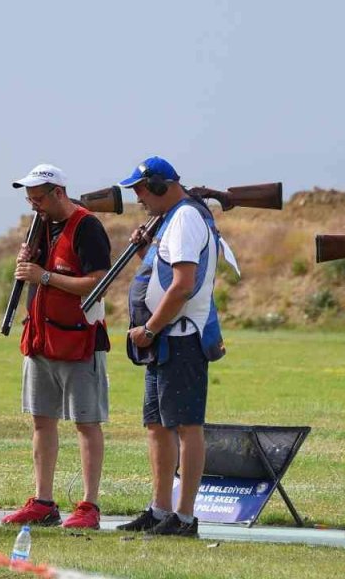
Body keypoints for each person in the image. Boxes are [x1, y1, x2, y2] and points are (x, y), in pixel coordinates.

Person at [114, 156, 231, 538]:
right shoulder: (173, 220)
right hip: (167, 337)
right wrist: (142, 250)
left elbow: (182, 285)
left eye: (142, 190)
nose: (139, 199)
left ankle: (183, 517)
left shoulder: (183, 219)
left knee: (185, 426)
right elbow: (162, 273)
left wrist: (149, 327)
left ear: (162, 187)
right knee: (156, 426)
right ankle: (160, 508)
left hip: (178, 336)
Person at [0, 164, 113, 530]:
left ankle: (89, 506)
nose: (34, 206)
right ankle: (43, 501)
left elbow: (98, 282)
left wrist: (44, 276)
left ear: (58, 193)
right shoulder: (42, 227)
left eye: (38, 199)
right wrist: (30, 262)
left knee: (86, 423)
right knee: (41, 420)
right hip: (41, 339)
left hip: (80, 339)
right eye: (30, 200)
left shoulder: (88, 226)